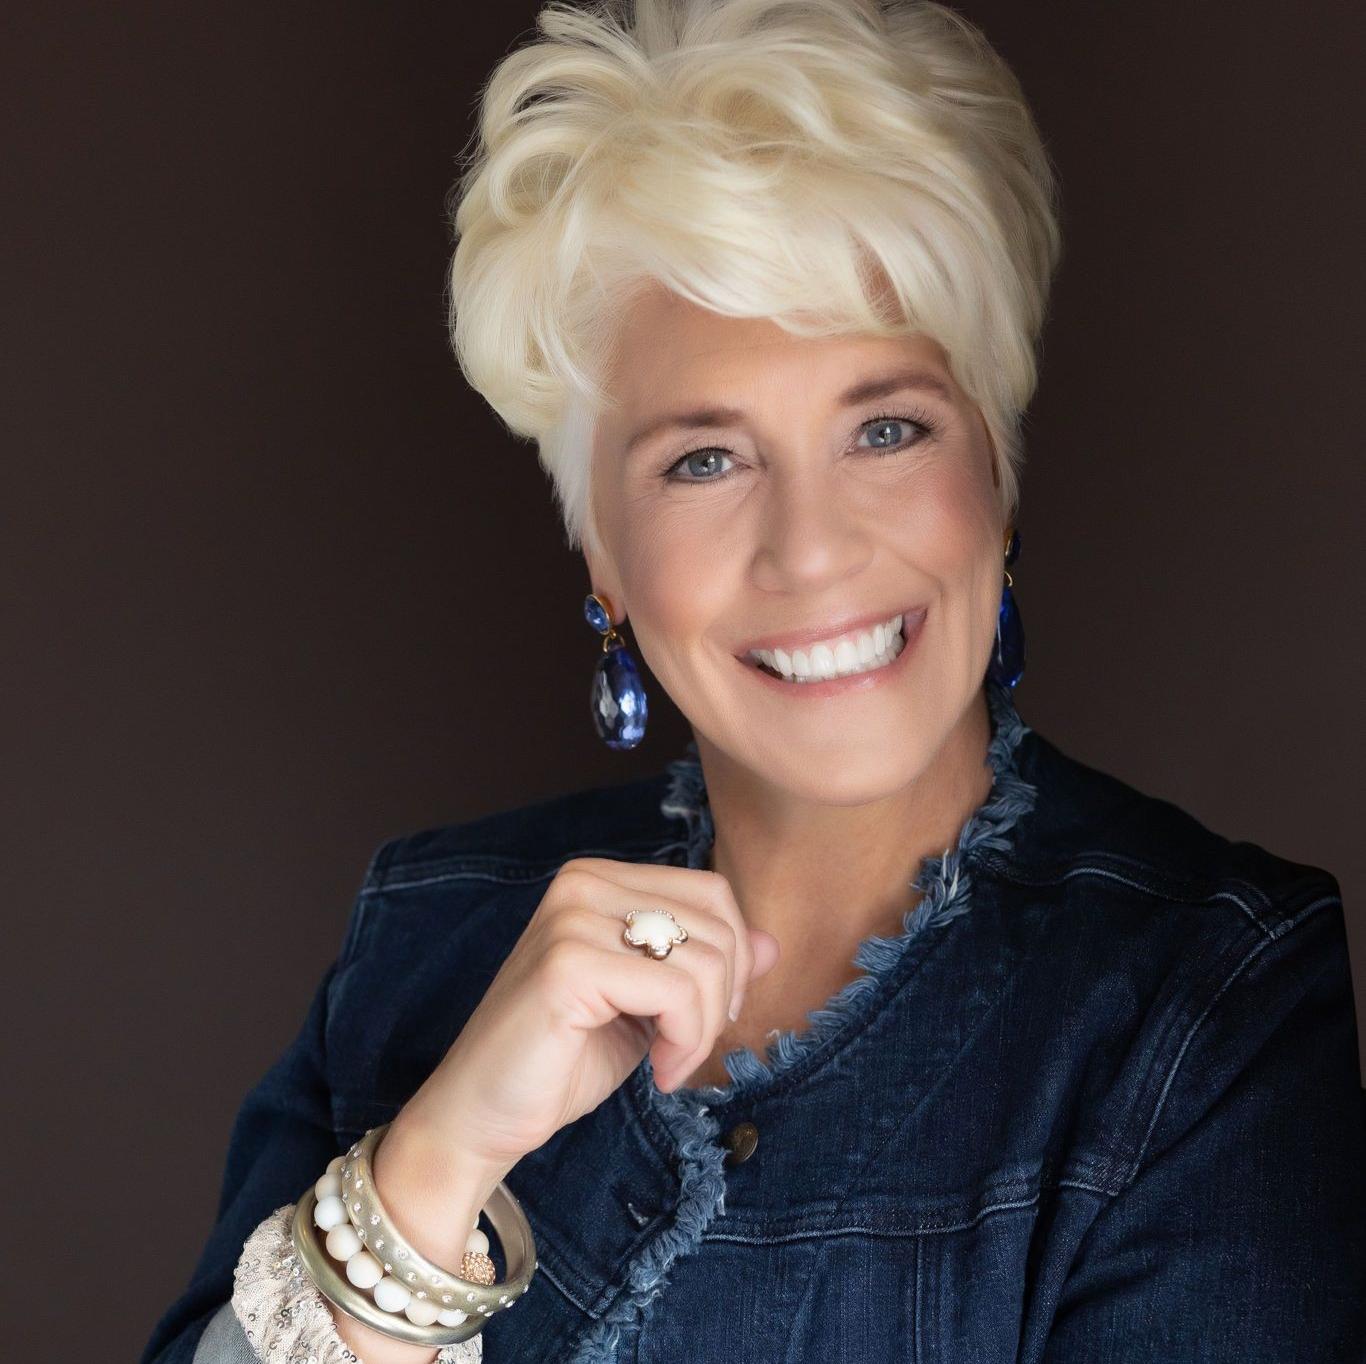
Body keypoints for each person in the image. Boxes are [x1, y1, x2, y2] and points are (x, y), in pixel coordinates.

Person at [142, 1, 1366, 1361]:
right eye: (704, 460)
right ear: (606, 560)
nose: (810, 549)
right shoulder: (421, 940)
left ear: (996, 476)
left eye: (886, 428)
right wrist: (437, 1163)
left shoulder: (1210, 1001)